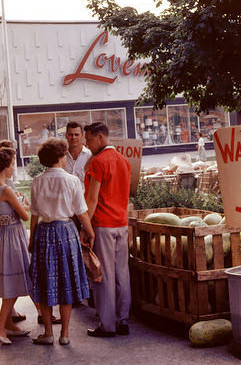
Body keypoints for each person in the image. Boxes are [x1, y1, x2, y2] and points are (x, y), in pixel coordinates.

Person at [29, 138, 94, 346]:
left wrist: (31, 238)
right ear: (59, 157)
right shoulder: (71, 180)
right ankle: (65, 334)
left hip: (44, 233)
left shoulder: (37, 181)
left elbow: (34, 215)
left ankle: (48, 333)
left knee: (45, 281)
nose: (66, 158)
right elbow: (81, 212)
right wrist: (90, 231)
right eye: (64, 155)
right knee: (67, 282)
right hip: (66, 231)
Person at [83, 122, 131, 338]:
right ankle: (123, 320)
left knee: (103, 276)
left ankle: (107, 324)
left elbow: (92, 199)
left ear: (100, 137)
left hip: (103, 224)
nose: (87, 144)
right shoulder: (124, 161)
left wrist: (86, 226)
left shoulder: (99, 162)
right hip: (121, 222)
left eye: (89, 140)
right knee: (123, 274)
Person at [0, 147, 32, 345]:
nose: (14, 168)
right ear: (6, 166)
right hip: (13, 235)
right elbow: (25, 215)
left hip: (4, 234)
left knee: (12, 282)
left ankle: (9, 325)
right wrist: (26, 205)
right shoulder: (5, 189)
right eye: (12, 164)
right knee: (13, 283)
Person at [64, 122, 92, 189]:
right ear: (66, 136)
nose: (73, 137)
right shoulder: (61, 157)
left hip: (84, 198)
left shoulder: (90, 156)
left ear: (82, 136)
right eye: (71, 135)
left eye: (76, 135)